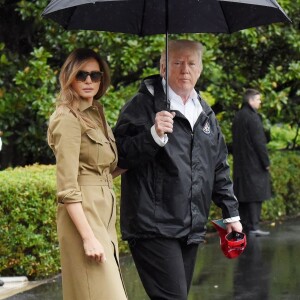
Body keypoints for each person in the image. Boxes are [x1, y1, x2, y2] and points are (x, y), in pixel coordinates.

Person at [113, 40, 242, 300]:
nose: (185, 69)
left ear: (200, 69)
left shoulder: (204, 113)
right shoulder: (142, 106)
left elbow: (218, 167)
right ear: (163, 67)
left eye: (191, 63)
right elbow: (117, 156)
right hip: (153, 225)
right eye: (177, 62)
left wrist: (231, 215)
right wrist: (153, 134)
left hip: (190, 226)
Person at [47, 48, 127, 300]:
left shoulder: (96, 114)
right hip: (84, 216)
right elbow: (67, 187)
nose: (89, 81)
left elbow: (103, 170)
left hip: (103, 214)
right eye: (82, 75)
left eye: (95, 75)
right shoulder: (67, 118)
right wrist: (88, 237)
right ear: (69, 77)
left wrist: (154, 140)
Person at [232, 89, 271, 236]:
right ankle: (254, 227)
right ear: (251, 101)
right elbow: (259, 143)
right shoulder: (253, 118)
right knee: (255, 195)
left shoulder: (238, 116)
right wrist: (266, 162)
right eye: (258, 99)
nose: (260, 102)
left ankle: (245, 226)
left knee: (243, 196)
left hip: (241, 164)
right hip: (254, 164)